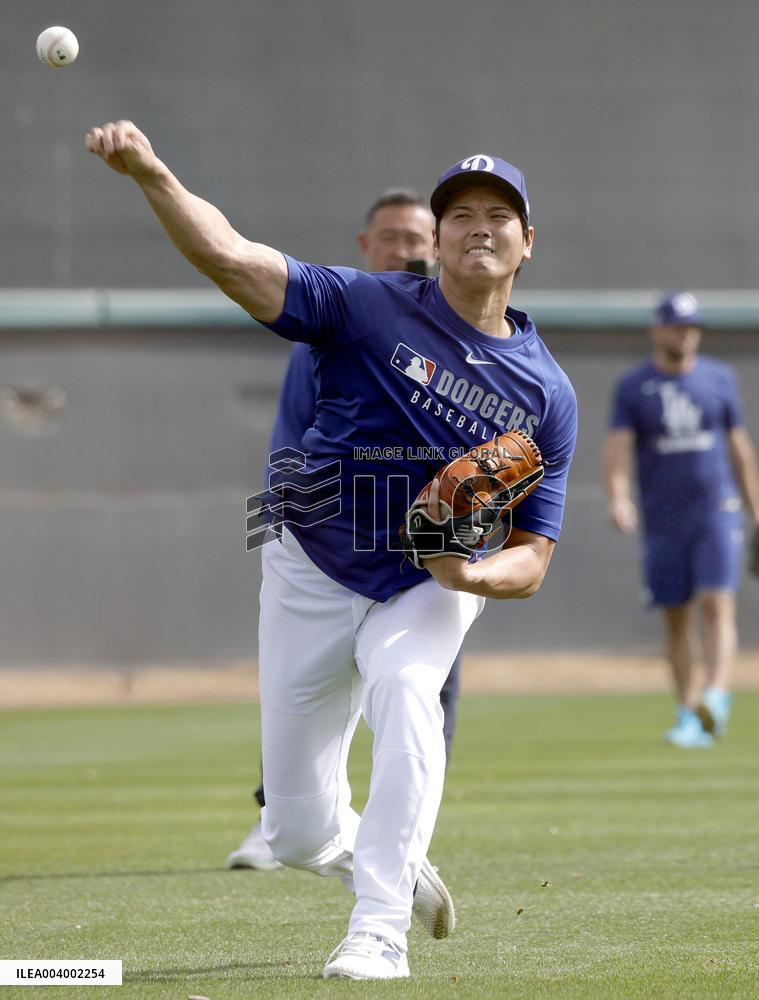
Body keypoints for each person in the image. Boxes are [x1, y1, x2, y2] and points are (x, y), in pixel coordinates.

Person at [84, 123, 578, 980]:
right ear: (437, 236)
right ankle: (387, 865)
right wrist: (154, 175)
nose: (480, 227)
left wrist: (468, 574)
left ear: (527, 242)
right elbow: (235, 260)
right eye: (460, 213)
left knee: (404, 688)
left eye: (500, 215)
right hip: (310, 564)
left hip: (423, 583)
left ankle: (378, 929)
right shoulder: (368, 303)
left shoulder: (545, 394)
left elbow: (532, 555)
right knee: (296, 829)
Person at [227, 189, 465, 872]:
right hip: (334, 546)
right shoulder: (337, 324)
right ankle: (283, 811)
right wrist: (289, 521)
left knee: (417, 691)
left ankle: (401, 852)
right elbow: (299, 438)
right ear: (365, 247)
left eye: (419, 235)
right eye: (391, 236)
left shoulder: (469, 335)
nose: (408, 249)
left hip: (428, 560)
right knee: (306, 683)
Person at [604, 291, 759, 748]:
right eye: (676, 326)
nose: (685, 334)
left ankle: (717, 695)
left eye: (692, 327)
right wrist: (618, 496)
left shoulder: (718, 378)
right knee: (676, 616)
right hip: (663, 516)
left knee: (717, 602)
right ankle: (689, 711)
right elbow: (617, 447)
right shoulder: (635, 385)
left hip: (717, 509)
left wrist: (756, 509)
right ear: (658, 329)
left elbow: (739, 448)